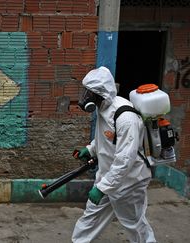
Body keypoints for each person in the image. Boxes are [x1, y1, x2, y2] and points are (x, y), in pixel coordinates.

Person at [72, 66, 156, 243]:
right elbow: (107, 138)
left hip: (129, 182)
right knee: (90, 219)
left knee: (134, 224)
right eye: (85, 91)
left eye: (90, 92)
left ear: (101, 93)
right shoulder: (102, 108)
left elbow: (125, 159)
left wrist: (103, 188)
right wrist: (91, 148)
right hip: (108, 178)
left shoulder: (126, 118)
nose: (85, 97)